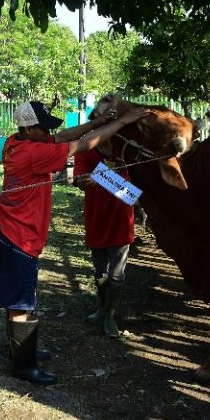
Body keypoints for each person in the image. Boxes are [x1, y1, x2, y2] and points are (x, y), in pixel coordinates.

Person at [0, 100, 149, 385]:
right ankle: (23, 364)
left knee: (21, 298)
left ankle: (22, 350)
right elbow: (83, 145)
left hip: (13, 230)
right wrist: (121, 122)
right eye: (43, 129)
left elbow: (65, 137)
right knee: (22, 300)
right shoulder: (33, 152)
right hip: (21, 236)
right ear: (30, 129)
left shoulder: (15, 140)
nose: (49, 133)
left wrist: (98, 123)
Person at [73, 139, 136, 337]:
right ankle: (102, 308)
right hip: (97, 217)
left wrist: (101, 176)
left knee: (116, 276)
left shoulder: (127, 147)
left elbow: (131, 194)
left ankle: (110, 316)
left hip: (121, 219)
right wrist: (84, 180)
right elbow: (79, 180)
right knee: (100, 271)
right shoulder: (85, 149)